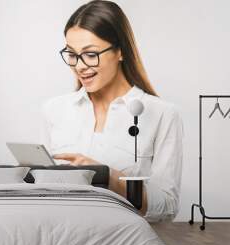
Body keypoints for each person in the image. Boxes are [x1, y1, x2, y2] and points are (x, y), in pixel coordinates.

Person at [41, 0, 184, 221]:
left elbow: (167, 206)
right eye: (71, 54)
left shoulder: (163, 114)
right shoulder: (54, 109)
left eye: (90, 54)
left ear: (120, 52)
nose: (79, 66)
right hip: (59, 239)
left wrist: (110, 177)